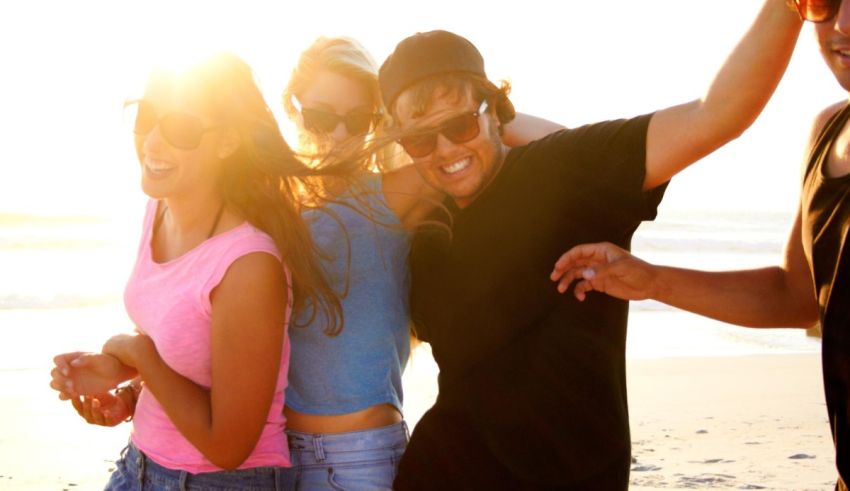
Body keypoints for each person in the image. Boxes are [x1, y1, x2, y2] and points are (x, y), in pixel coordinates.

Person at [376, 2, 803, 489]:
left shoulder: (565, 171)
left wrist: (793, 6)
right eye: (421, 140)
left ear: (496, 110)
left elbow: (718, 115)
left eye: (459, 126)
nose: (446, 150)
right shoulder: (423, 231)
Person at [550, 1, 850, 488]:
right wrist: (653, 280)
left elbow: (720, 112)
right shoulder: (827, 132)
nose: (842, 24)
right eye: (823, 2)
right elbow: (796, 297)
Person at [278, 36, 565, 490]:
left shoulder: (394, 194)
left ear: (380, 125)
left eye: (355, 121)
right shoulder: (273, 204)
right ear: (293, 110)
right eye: (319, 117)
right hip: (271, 457)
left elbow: (567, 149)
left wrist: (487, 115)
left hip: (357, 462)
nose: (336, 135)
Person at [48, 52, 341, 490]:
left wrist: (136, 353)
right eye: (146, 116)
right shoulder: (158, 210)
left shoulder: (248, 265)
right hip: (138, 466)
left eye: (180, 128)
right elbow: (184, 353)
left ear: (227, 142)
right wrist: (127, 391)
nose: (151, 143)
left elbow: (228, 447)